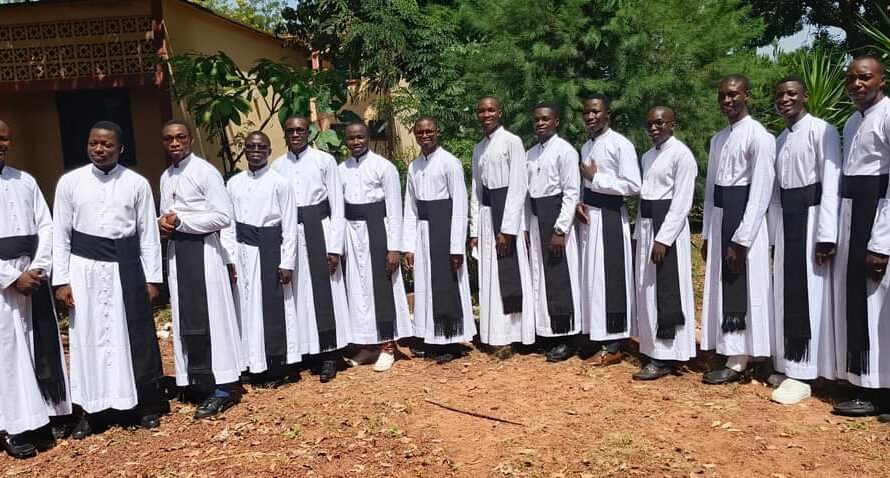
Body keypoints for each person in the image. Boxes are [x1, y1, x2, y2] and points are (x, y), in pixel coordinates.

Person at [53, 120, 163, 439]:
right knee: (89, 338)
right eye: (93, 144)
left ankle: (140, 405)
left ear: (121, 148)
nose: (99, 150)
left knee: (130, 337)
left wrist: (152, 278)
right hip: (83, 269)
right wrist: (62, 280)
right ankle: (93, 409)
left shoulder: (137, 183)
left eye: (107, 145)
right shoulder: (69, 183)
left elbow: (149, 236)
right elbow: (60, 234)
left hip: (125, 268)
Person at [158, 120, 244, 417]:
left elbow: (222, 217)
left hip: (205, 252)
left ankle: (224, 384)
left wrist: (184, 223)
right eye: (168, 139)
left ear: (190, 139)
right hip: (178, 254)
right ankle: (196, 378)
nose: (175, 143)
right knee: (185, 315)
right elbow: (166, 214)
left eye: (180, 137)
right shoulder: (166, 176)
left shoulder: (206, 172)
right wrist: (164, 225)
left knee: (214, 317)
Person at [0, 119, 70, 458]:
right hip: (4, 285)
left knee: (38, 345)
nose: (2, 143)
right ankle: (12, 426)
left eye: (5, 137)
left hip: (33, 276)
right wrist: (11, 278)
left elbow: (46, 226)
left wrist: (37, 269)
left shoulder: (25, 180)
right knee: (8, 356)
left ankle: (43, 415)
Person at [768, 76, 840, 405]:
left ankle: (807, 371)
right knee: (786, 293)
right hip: (787, 221)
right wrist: (772, 234)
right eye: (780, 95)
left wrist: (826, 234)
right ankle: (789, 363)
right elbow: (774, 193)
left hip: (810, 220)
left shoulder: (822, 130)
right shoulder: (780, 139)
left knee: (809, 293)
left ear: (805, 97)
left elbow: (831, 183)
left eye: (791, 94)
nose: (785, 99)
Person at [700, 75, 775, 384]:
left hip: (746, 224)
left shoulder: (759, 136)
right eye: (723, 96)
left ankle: (743, 358)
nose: (727, 101)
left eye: (733, 95)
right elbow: (710, 190)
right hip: (720, 218)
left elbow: (760, 191)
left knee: (747, 287)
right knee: (723, 285)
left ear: (747, 95)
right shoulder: (719, 138)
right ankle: (729, 347)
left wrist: (741, 240)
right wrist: (706, 233)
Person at [271, 115, 351, 382]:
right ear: (285, 133)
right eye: (291, 130)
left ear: (309, 132)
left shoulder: (324, 161)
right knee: (299, 294)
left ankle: (329, 353)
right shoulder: (277, 166)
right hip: (292, 233)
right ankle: (307, 351)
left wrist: (335, 247)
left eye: (300, 130)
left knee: (326, 291)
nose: (295, 134)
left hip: (321, 229)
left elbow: (338, 207)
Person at [831, 56, 890, 418]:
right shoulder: (852, 121)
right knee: (862, 303)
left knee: (881, 306)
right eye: (850, 79)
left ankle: (881, 390)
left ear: (881, 79)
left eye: (864, 77)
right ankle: (867, 384)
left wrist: (881, 241)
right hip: (854, 214)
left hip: (878, 217)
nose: (856, 84)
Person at [223, 131, 300, 388]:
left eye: (261, 147)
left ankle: (278, 366)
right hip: (243, 251)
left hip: (270, 251)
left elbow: (289, 226)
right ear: (244, 150)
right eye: (250, 146)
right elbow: (228, 224)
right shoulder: (233, 183)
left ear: (269, 150)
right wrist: (230, 258)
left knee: (272, 310)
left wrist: (287, 262)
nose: (255, 151)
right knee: (246, 308)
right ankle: (251, 363)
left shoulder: (280, 183)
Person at [339, 122, 412, 372]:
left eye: (360, 137)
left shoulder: (384, 167)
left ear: (368, 138)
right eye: (351, 138)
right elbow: (339, 210)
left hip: (377, 231)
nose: (356, 142)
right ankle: (368, 344)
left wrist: (394, 248)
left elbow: (394, 208)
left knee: (382, 287)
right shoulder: (340, 170)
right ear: (345, 140)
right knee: (358, 290)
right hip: (352, 232)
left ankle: (388, 346)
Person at [403, 116, 476, 363]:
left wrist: (456, 246)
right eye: (420, 133)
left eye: (429, 131)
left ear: (437, 132)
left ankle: (451, 338)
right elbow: (410, 208)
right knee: (425, 286)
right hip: (423, 231)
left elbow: (460, 205)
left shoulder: (450, 163)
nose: (425, 136)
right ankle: (431, 336)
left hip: (444, 230)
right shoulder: (414, 167)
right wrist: (408, 246)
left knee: (447, 285)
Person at [632, 107, 697, 380]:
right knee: (647, 289)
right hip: (647, 226)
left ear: (673, 124)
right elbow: (644, 197)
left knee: (666, 288)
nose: (654, 128)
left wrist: (663, 238)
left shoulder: (682, 155)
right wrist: (640, 234)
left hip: (666, 230)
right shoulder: (648, 156)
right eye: (650, 124)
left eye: (660, 123)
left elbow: (682, 202)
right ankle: (652, 348)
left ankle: (668, 354)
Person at [468, 97, 534, 359]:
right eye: (481, 110)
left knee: (510, 272)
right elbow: (475, 188)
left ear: (500, 112)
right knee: (490, 275)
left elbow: (518, 185)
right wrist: (474, 230)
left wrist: (507, 229)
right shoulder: (479, 148)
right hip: (486, 216)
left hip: (506, 215)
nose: (486, 114)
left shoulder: (512, 142)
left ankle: (516, 334)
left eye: (491, 110)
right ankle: (494, 334)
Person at [576, 94, 640, 366]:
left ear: (607, 114)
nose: (590, 117)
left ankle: (614, 342)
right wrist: (581, 199)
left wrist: (596, 178)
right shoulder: (585, 147)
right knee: (592, 278)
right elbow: (585, 182)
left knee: (610, 278)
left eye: (596, 112)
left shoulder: (620, 144)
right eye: (587, 113)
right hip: (590, 217)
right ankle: (597, 334)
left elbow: (634, 186)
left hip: (612, 217)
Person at [525, 102, 582, 362]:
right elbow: (526, 195)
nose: (540, 123)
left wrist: (560, 229)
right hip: (538, 219)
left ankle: (567, 335)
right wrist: (527, 226)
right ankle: (547, 331)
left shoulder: (565, 151)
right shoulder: (530, 154)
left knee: (560, 275)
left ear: (556, 121)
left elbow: (572, 192)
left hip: (557, 219)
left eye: (546, 119)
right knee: (540, 274)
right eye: (537, 119)